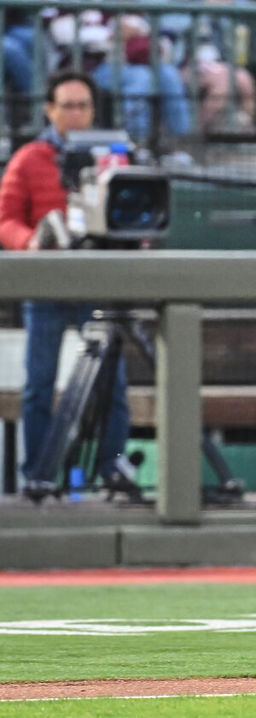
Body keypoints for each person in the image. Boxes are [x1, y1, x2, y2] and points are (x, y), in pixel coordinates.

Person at [0, 71, 135, 492]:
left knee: (114, 386)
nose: (76, 114)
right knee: (40, 385)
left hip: (98, 282)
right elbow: (5, 218)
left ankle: (112, 468)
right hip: (48, 284)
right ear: (50, 109)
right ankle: (37, 477)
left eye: (84, 106)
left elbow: (133, 210)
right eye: (68, 105)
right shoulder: (29, 158)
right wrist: (32, 245)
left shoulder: (114, 157)